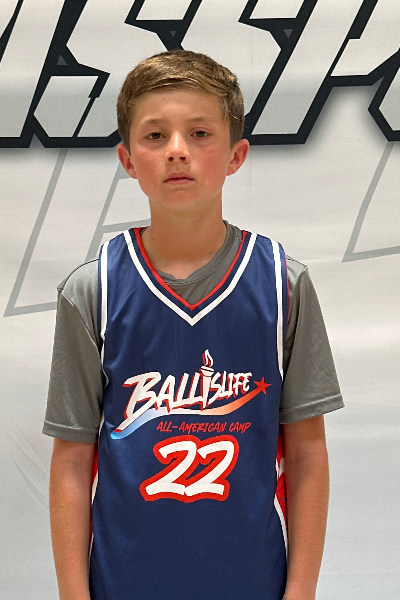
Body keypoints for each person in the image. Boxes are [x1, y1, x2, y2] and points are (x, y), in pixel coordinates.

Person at [43, 50, 344, 600]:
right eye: (155, 135)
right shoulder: (93, 289)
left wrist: (301, 589)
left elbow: (306, 453)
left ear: (235, 155)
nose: (177, 150)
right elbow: (71, 460)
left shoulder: (283, 283)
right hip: (123, 582)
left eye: (200, 133)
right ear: (128, 158)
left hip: (253, 581)